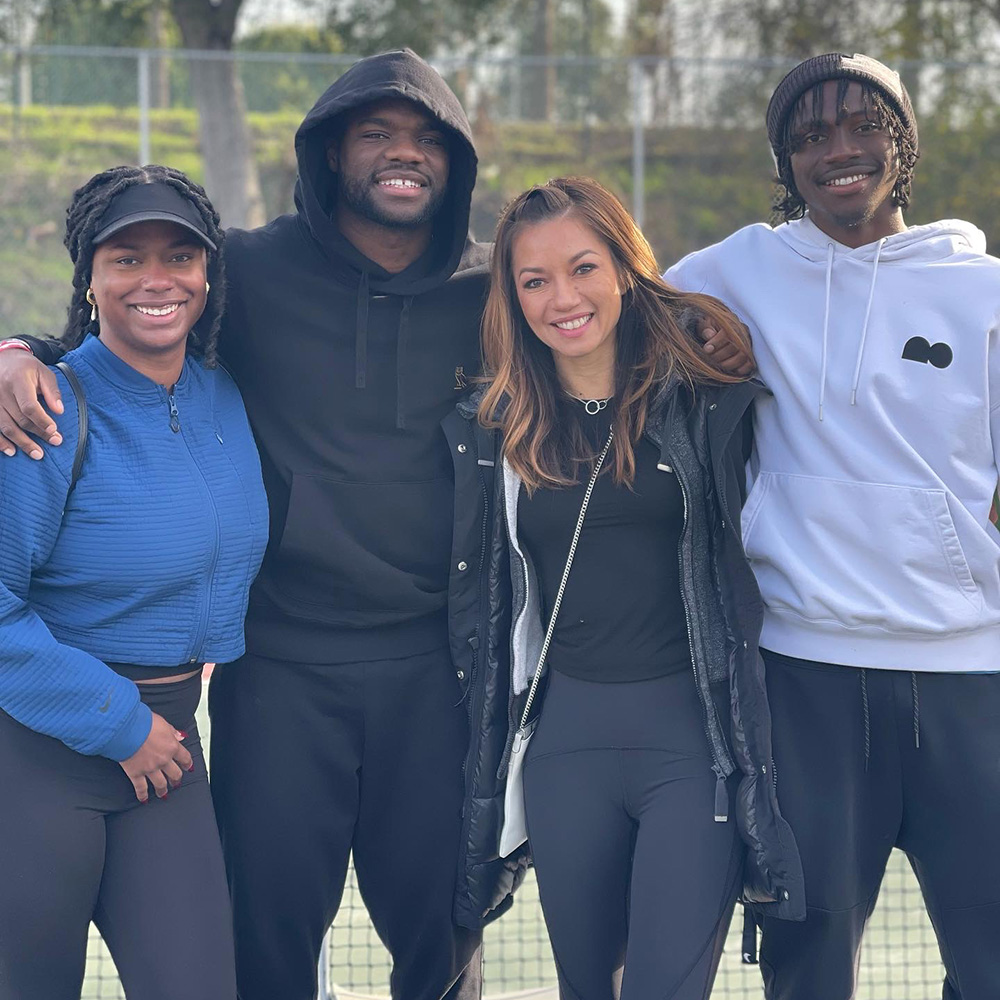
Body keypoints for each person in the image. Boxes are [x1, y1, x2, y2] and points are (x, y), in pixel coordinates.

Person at [0, 50, 749, 1000]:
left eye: (428, 138)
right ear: (330, 154)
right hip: (276, 676)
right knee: (264, 949)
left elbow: (603, 321)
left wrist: (716, 335)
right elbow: (139, 306)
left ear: (457, 163)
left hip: (443, 672)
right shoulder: (254, 270)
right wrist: (21, 350)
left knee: (443, 943)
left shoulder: (498, 294)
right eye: (377, 134)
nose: (405, 153)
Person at [665, 53, 1000, 1000]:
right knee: (808, 971)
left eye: (864, 128)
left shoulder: (982, 292)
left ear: (903, 146)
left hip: (973, 682)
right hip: (803, 680)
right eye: (809, 137)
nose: (839, 151)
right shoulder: (735, 270)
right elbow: (602, 305)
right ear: (785, 163)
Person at [445, 176, 804, 1000]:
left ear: (624, 270)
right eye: (534, 281)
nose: (561, 298)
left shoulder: (702, 398)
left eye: (582, 268)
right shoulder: (495, 427)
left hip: (691, 746)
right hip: (566, 751)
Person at [0, 164, 268, 1000]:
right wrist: (119, 722)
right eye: (126, 258)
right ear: (89, 280)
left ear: (208, 275)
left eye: (181, 256)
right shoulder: (42, 410)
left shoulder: (229, 395)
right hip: (38, 757)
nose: (157, 279)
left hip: (169, 756)